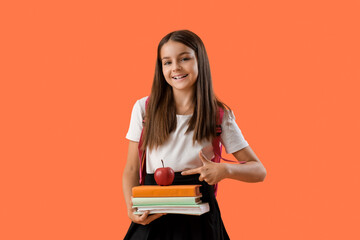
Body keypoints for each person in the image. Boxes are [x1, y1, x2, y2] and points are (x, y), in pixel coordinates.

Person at [122, 29, 267, 240]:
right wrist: (131, 208)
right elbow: (132, 168)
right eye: (167, 62)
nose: (176, 67)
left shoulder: (219, 115)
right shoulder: (144, 109)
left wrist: (225, 170)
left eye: (184, 58)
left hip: (200, 223)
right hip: (153, 216)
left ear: (201, 61)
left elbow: (259, 171)